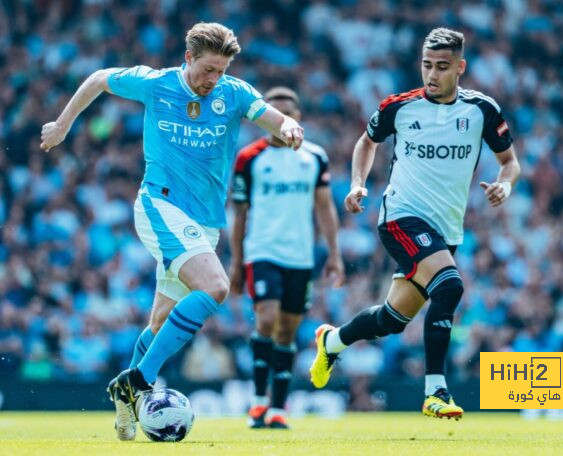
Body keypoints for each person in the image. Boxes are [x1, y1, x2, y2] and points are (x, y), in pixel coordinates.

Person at [40, 22, 304, 441]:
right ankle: (139, 380)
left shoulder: (234, 93)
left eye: (221, 70)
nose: (213, 79)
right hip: (159, 204)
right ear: (188, 58)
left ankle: (127, 403)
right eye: (208, 69)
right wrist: (63, 124)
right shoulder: (156, 83)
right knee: (215, 287)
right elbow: (98, 78)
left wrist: (288, 127)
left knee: (162, 320)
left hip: (204, 222)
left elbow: (272, 117)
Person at [309, 27, 520, 420]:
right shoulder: (399, 107)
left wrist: (505, 187)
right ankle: (435, 391)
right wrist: (357, 184)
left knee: (392, 319)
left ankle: (332, 341)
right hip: (401, 217)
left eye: (442, 67)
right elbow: (366, 142)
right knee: (451, 284)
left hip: (446, 231)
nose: (432, 74)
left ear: (461, 67)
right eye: (427, 65)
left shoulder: (482, 110)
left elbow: (510, 162)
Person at [230, 87, 345, 429]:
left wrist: (335, 255)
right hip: (262, 251)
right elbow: (240, 214)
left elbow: (325, 208)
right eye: (273, 115)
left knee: (287, 331)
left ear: (298, 118)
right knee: (266, 319)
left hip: (300, 257)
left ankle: (278, 409)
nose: (280, 122)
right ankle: (258, 400)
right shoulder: (249, 158)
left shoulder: (314, 157)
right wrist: (237, 262)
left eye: (287, 115)